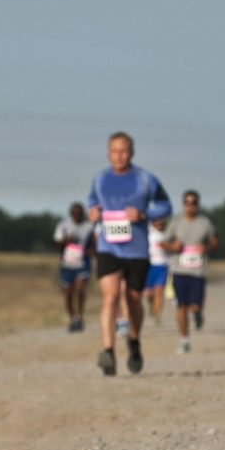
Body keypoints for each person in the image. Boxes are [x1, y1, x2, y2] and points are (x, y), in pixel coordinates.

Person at [87, 132, 172, 375]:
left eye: (124, 151)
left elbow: (166, 206)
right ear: (108, 153)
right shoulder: (100, 179)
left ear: (132, 153)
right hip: (108, 248)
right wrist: (92, 213)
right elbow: (91, 203)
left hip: (136, 250)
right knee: (110, 297)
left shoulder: (145, 179)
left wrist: (144, 214)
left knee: (134, 300)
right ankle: (108, 351)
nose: (119, 156)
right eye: (115, 151)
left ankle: (134, 341)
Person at [162, 190, 218, 353]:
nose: (190, 206)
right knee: (181, 306)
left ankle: (198, 314)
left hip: (198, 271)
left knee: (194, 306)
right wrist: (173, 247)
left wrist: (206, 247)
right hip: (179, 269)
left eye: (194, 202)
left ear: (198, 204)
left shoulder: (205, 223)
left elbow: (214, 242)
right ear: (183, 204)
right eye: (187, 202)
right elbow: (163, 243)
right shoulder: (176, 222)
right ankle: (184, 340)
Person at [53, 202, 95, 331]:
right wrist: (65, 240)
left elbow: (95, 242)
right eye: (74, 214)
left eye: (79, 214)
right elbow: (56, 242)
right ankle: (72, 318)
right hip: (67, 264)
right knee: (68, 293)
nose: (77, 216)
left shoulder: (89, 226)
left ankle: (80, 317)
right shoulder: (63, 225)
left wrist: (92, 250)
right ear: (71, 214)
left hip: (82, 263)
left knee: (80, 288)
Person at [144, 219, 169, 325]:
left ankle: (157, 315)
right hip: (149, 266)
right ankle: (151, 305)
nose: (159, 224)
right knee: (148, 294)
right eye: (156, 222)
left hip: (162, 266)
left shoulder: (167, 234)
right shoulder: (148, 232)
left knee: (159, 291)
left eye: (161, 222)